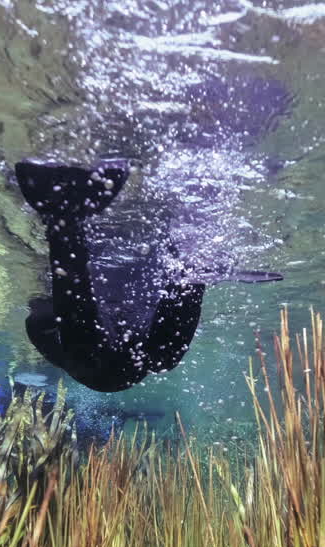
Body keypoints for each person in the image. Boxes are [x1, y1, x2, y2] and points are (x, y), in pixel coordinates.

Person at [14, 159, 280, 392]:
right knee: (117, 359)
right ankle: (63, 219)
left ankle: (64, 219)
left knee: (160, 352)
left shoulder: (152, 355)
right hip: (94, 354)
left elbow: (43, 320)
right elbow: (44, 316)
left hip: (113, 354)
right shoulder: (58, 343)